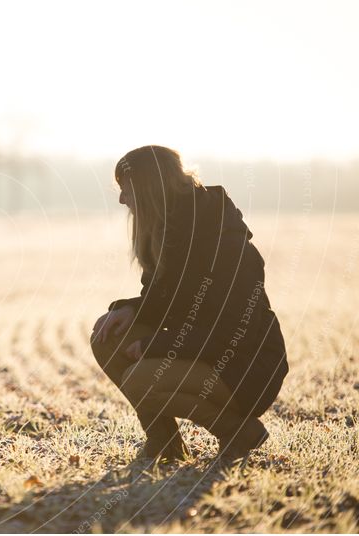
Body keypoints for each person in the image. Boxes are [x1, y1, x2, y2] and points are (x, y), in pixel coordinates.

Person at [91, 145, 289, 465]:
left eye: (126, 190)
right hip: (205, 355)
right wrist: (130, 309)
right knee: (107, 338)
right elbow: (164, 301)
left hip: (245, 367)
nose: (121, 200)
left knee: (141, 378)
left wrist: (157, 344)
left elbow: (230, 333)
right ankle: (165, 443)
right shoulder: (169, 231)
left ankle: (238, 431)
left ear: (150, 188)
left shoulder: (223, 242)